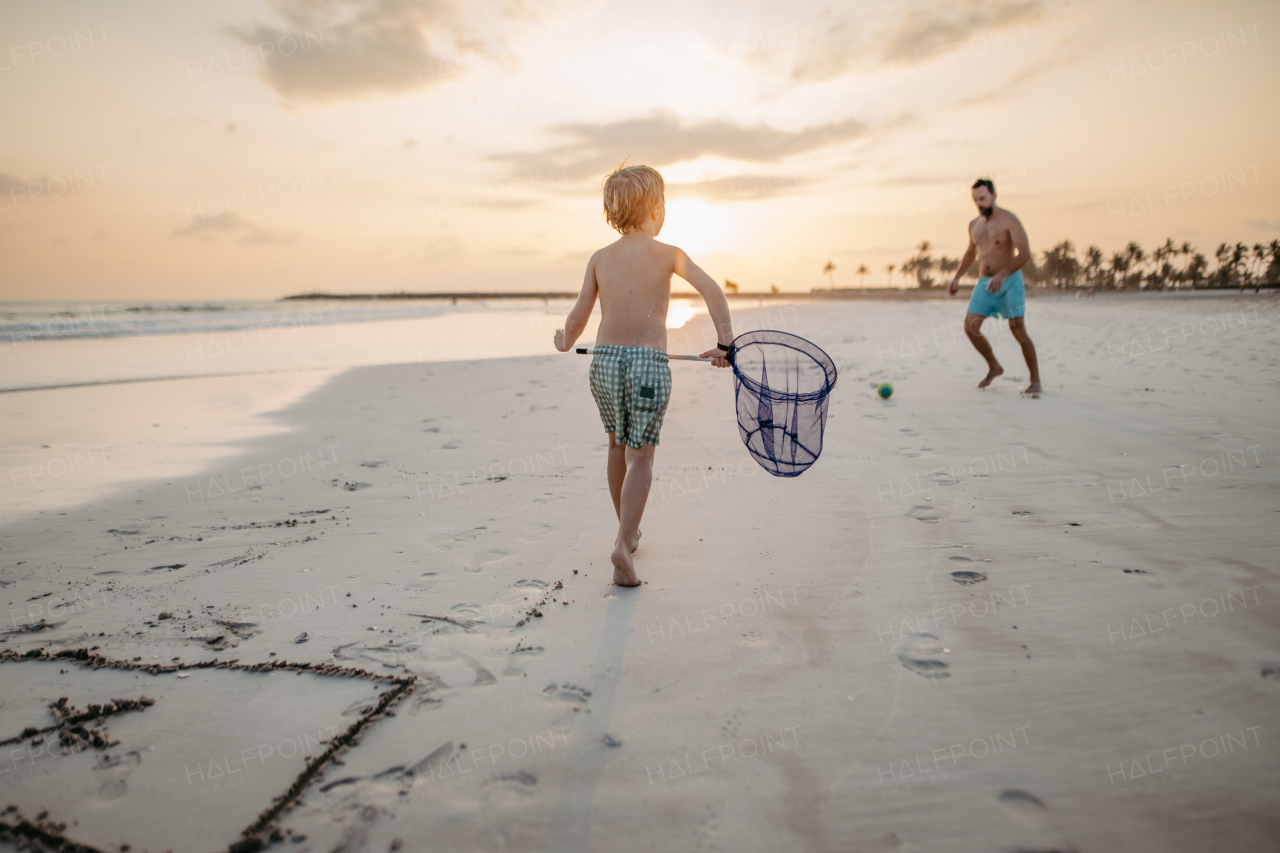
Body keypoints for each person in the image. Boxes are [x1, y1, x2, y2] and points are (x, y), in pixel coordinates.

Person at [554, 164, 733, 586]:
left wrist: (565, 339)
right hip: (647, 364)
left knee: (617, 447)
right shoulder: (669, 253)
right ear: (656, 207)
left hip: (605, 363)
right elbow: (713, 291)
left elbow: (580, 312)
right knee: (642, 456)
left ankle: (628, 534)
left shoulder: (601, 258)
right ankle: (622, 542)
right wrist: (725, 344)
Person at [947, 178, 1042, 397]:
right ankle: (994, 367)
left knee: (1018, 330)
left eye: (982, 198)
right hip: (984, 283)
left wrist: (1003, 274)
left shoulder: (1009, 220)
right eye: (975, 199)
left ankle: (1035, 380)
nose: (979, 203)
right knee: (970, 326)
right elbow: (971, 253)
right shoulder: (974, 225)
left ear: (993, 195)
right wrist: (957, 277)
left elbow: (1025, 254)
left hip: (1009, 282)